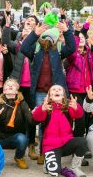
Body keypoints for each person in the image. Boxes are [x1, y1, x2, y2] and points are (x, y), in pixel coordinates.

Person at [20, 19, 76, 163]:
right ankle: (42, 152)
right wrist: (34, 34)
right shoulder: (36, 50)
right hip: (39, 92)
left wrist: (68, 31)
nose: (47, 38)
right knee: (41, 121)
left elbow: (72, 48)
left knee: (51, 122)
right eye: (43, 35)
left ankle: (47, 152)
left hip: (55, 93)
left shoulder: (57, 50)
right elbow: (23, 48)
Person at [32, 85, 87, 177]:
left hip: (67, 142)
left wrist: (76, 107)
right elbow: (35, 119)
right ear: (49, 95)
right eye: (53, 89)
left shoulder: (68, 106)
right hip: (51, 145)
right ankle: (48, 162)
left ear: (63, 95)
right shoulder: (46, 107)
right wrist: (41, 109)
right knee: (54, 173)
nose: (56, 90)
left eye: (59, 89)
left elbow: (78, 115)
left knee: (82, 141)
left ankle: (75, 167)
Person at [3, 13, 38, 159]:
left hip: (31, 87)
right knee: (17, 115)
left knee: (31, 117)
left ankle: (31, 145)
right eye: (25, 29)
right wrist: (6, 24)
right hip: (18, 86)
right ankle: (20, 144)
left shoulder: (37, 46)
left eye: (30, 30)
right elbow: (5, 40)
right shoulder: (17, 46)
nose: (27, 30)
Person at [64, 31, 93, 138]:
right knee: (80, 118)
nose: (80, 38)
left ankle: (84, 142)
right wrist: (75, 35)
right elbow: (71, 54)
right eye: (78, 37)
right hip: (75, 91)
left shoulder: (89, 53)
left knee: (87, 118)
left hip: (88, 91)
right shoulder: (73, 54)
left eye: (82, 37)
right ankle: (78, 142)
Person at [0, 78, 34, 169]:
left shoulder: (22, 103)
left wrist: (37, 114)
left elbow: (31, 121)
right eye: (7, 85)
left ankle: (19, 157)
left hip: (15, 137)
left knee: (23, 139)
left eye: (13, 85)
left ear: (17, 90)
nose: (10, 86)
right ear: (4, 90)